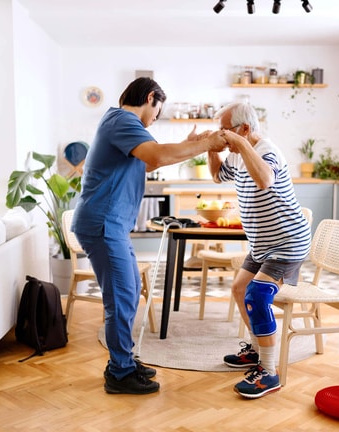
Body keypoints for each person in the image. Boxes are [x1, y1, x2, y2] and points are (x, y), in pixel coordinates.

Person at [71, 77, 227, 395]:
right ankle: (119, 372)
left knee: (128, 294)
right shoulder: (123, 119)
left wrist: (189, 145)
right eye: (157, 111)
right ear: (151, 97)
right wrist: (206, 144)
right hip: (103, 224)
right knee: (122, 297)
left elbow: (154, 156)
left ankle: (124, 361)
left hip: (109, 225)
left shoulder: (120, 122)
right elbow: (156, 157)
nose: (155, 117)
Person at [207, 102, 311, 399]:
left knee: (256, 294)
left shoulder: (266, 151)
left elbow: (265, 179)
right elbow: (217, 177)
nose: (224, 137)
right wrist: (212, 147)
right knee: (240, 289)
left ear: (244, 129)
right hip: (263, 244)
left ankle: (269, 372)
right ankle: (255, 350)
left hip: (287, 242)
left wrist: (238, 143)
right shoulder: (238, 155)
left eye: (226, 131)